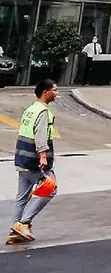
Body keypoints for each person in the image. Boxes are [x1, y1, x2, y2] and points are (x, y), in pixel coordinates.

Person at [10, 79, 58, 244]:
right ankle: (23, 224)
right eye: (54, 90)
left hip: (22, 158)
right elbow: (40, 135)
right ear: (45, 92)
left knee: (22, 197)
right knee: (51, 189)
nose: (57, 93)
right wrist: (43, 156)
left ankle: (15, 231)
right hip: (35, 160)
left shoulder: (31, 109)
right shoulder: (43, 112)